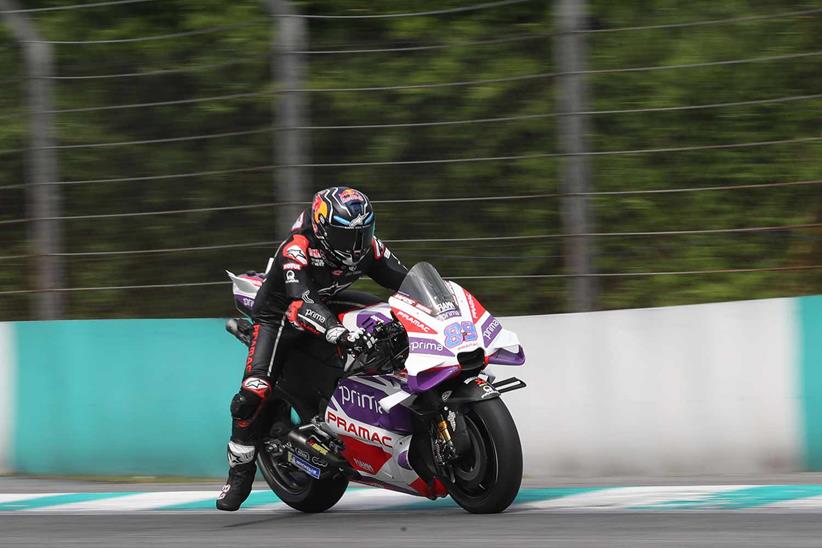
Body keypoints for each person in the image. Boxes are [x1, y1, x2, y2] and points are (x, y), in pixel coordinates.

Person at [217, 186, 408, 511]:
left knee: (389, 317)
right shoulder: (297, 249)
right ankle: (239, 473)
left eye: (363, 234)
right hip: (280, 316)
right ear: (323, 230)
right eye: (347, 236)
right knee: (254, 391)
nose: (357, 245)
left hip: (327, 301)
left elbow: (404, 281)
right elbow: (300, 302)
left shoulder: (368, 248)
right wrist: (336, 331)